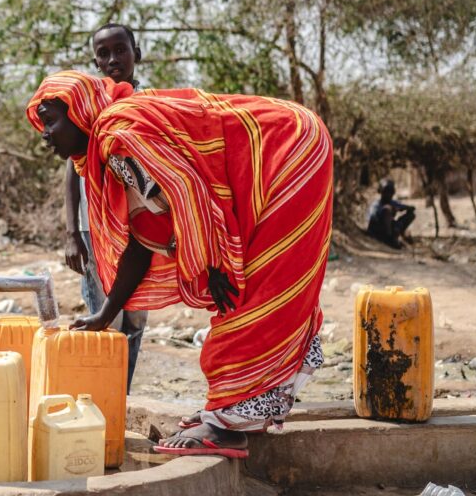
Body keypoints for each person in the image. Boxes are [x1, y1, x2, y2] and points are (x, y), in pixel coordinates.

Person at [26, 70, 332, 458]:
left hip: (285, 149)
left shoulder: (119, 138)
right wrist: (106, 313)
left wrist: (215, 260)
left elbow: (188, 189)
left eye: (50, 119)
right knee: (250, 292)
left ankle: (227, 426)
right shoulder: (115, 146)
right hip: (282, 147)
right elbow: (142, 240)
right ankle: (236, 411)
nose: (45, 133)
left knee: (255, 294)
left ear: (80, 112)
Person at [64, 23, 146, 393]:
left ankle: (121, 402)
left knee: (135, 320)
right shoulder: (90, 106)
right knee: (103, 320)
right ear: (95, 60)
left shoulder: (152, 104)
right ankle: (99, 404)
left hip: (144, 232)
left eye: (120, 49)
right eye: (104, 53)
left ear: (136, 52)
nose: (113, 59)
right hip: (94, 230)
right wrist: (71, 233)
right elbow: (72, 166)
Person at [366, 179, 415, 249]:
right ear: (381, 192)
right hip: (378, 229)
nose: (389, 194)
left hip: (389, 227)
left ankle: (399, 234)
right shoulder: (376, 205)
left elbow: (410, 208)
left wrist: (399, 209)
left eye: (391, 191)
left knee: (411, 215)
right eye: (386, 191)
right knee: (387, 209)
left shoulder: (392, 203)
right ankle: (389, 239)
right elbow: (373, 219)